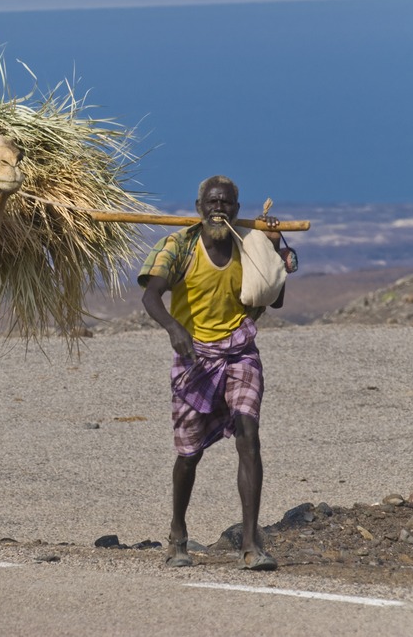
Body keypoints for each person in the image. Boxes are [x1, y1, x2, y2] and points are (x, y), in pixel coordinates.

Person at [138, 175, 286, 571]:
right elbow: (151, 294)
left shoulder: (248, 244)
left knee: (249, 435)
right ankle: (178, 534)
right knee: (188, 453)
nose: (219, 209)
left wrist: (274, 252)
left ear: (236, 210)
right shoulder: (179, 245)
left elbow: (275, 299)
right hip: (194, 356)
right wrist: (173, 328)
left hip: (240, 351)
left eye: (227, 204)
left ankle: (252, 545)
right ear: (199, 206)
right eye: (212, 202)